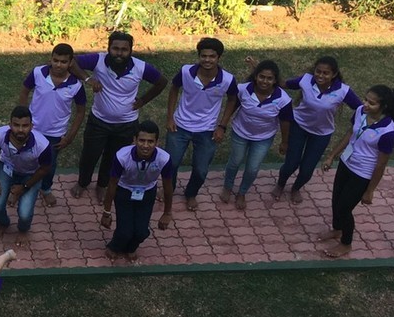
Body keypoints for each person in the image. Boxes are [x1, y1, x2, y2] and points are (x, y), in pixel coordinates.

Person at [71, 31, 167, 201]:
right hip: (98, 121)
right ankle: (82, 183)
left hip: (127, 124)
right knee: (89, 155)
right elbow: (72, 62)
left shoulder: (140, 67)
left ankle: (102, 185)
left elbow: (162, 82)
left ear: (131, 50)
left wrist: (143, 100)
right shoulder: (98, 60)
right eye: (115, 48)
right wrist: (88, 80)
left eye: (124, 49)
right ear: (108, 48)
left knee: (113, 157)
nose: (119, 53)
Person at [320, 85, 394, 259]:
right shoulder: (360, 111)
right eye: (366, 99)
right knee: (336, 199)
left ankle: (346, 243)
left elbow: (381, 165)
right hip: (346, 163)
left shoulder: (387, 132)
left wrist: (370, 191)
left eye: (372, 103)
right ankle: (337, 229)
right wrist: (332, 156)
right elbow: (350, 134)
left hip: (362, 174)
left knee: (344, 208)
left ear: (383, 107)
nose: (365, 104)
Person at [164, 38, 238, 211]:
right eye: (203, 56)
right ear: (198, 56)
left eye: (212, 56)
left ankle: (191, 194)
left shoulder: (227, 79)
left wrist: (222, 125)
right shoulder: (185, 72)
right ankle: (169, 189)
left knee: (201, 170)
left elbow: (233, 99)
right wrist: (169, 117)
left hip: (207, 130)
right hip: (180, 126)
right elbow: (174, 89)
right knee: (171, 164)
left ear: (218, 57)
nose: (207, 60)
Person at [275, 56, 361, 204]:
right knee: (291, 164)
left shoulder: (343, 90)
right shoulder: (306, 80)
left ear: (333, 74)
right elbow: (284, 84)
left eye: (325, 73)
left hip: (321, 134)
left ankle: (296, 188)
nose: (320, 76)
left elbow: (360, 108)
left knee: (307, 170)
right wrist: (258, 68)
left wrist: (359, 122)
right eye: (318, 71)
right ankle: (280, 184)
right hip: (298, 126)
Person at [19, 43, 87, 207]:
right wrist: (22, 118)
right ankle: (21, 185)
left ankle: (45, 189)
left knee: (49, 164)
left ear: (70, 63)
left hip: (55, 134)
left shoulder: (76, 86)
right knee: (24, 158)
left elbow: (80, 112)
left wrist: (69, 137)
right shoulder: (38, 73)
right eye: (55, 60)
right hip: (32, 128)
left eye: (63, 62)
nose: (58, 65)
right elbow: (24, 91)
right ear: (51, 58)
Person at [221, 60, 293, 210]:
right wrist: (223, 126)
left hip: (263, 138)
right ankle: (227, 187)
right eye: (261, 77)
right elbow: (232, 105)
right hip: (240, 132)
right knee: (235, 161)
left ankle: (242, 193)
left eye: (269, 78)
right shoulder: (242, 89)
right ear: (255, 76)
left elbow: (285, 122)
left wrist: (285, 142)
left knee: (253, 168)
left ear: (275, 80)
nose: (264, 81)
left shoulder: (283, 99)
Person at [100, 120, 174, 261]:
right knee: (125, 232)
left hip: (147, 193)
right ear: (134, 140)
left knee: (141, 232)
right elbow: (112, 184)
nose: (145, 146)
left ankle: (131, 247)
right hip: (124, 191)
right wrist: (106, 212)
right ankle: (114, 246)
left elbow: (168, 187)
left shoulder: (164, 159)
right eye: (141, 140)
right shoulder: (122, 156)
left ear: (157, 142)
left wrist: (167, 213)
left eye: (150, 141)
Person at [0, 106, 53, 245]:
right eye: (16, 125)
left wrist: (23, 187)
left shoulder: (42, 145)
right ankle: (3, 224)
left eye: (25, 125)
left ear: (31, 126)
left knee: (24, 213)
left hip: (31, 175)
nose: (20, 129)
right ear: (10, 124)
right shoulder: (0, 135)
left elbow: (44, 169)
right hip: (7, 170)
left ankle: (23, 230)